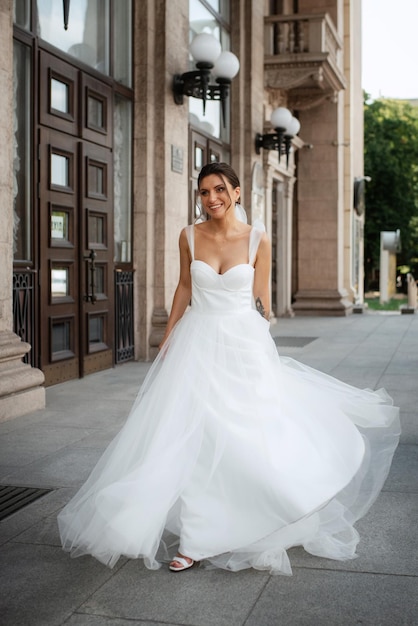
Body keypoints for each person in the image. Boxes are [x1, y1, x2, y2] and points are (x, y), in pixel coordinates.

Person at [58, 162, 400, 575]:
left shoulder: (258, 238)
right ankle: (196, 539)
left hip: (243, 345)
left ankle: (268, 508)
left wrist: (263, 333)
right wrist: (167, 338)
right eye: (203, 192)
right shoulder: (188, 235)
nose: (211, 198)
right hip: (196, 343)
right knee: (196, 437)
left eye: (219, 189)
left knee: (250, 435)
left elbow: (261, 299)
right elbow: (185, 285)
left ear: (237, 193)